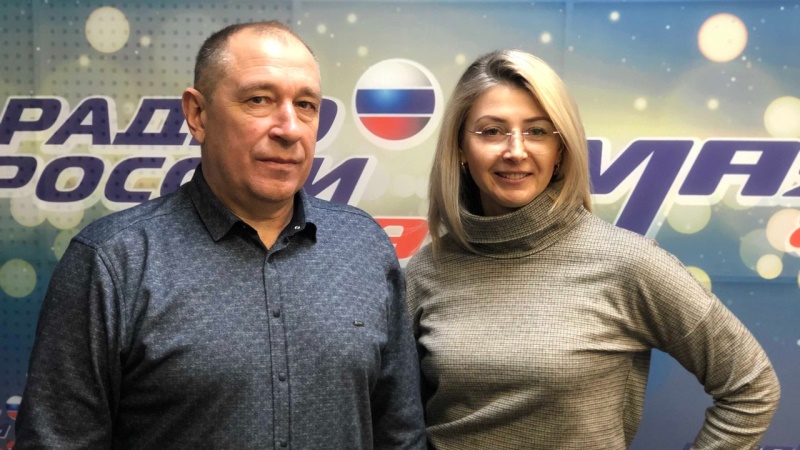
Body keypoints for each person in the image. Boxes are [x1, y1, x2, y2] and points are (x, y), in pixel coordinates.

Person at [15, 21, 425, 449]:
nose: (289, 128)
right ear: (198, 114)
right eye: (259, 99)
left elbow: (400, 435)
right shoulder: (113, 262)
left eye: (305, 105)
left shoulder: (363, 247)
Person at [405, 49, 780, 450]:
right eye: (492, 131)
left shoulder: (628, 263)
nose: (515, 150)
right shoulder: (426, 270)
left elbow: (752, 388)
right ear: (460, 148)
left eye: (537, 131)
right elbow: (395, 419)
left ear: (561, 148)